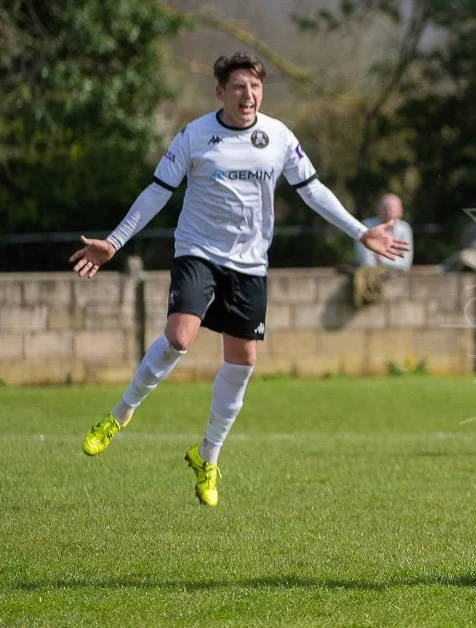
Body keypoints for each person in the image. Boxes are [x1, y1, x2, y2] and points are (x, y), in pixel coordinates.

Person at [71, 52, 409, 507]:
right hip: (197, 253)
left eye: (254, 87)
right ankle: (118, 415)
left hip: (249, 264)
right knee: (179, 337)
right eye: (238, 87)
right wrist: (114, 242)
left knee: (243, 361)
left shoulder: (278, 137)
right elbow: (157, 192)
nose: (247, 95)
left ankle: (207, 455)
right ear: (220, 92)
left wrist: (360, 231)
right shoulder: (194, 135)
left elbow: (312, 190)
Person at [354, 193, 414, 271]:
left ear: (400, 211)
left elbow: (406, 264)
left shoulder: (405, 228)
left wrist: (380, 259)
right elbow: (365, 261)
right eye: (385, 208)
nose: (388, 212)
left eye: (392, 208)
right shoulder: (366, 226)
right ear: (378, 209)